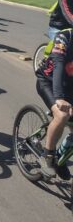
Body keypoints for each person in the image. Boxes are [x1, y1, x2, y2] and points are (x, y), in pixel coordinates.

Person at [36, 28, 73, 180]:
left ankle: (60, 158)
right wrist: (59, 98)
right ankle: (47, 155)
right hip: (49, 82)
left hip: (69, 86)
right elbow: (58, 64)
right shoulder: (65, 36)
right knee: (62, 114)